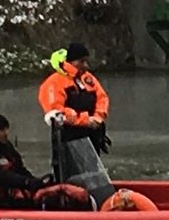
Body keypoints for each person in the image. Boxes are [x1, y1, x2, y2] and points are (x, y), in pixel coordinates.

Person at [39, 42, 114, 202]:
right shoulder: (54, 83)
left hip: (91, 137)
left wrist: (98, 117)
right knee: (69, 174)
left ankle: (95, 199)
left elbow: (102, 98)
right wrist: (85, 120)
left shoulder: (88, 79)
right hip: (67, 139)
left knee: (93, 171)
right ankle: (71, 202)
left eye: (86, 61)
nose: (86, 65)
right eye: (82, 61)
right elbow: (57, 112)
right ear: (71, 61)